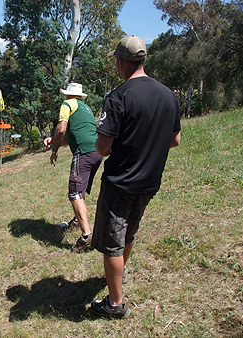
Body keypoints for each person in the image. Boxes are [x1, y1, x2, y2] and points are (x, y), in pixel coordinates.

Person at [90, 35, 181, 318]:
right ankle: (122, 273)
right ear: (143, 60)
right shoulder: (168, 95)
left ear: (120, 61)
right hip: (149, 181)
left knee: (111, 242)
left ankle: (115, 305)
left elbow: (103, 148)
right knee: (129, 232)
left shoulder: (118, 97)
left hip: (120, 182)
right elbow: (175, 139)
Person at [44, 83, 103, 253]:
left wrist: (54, 150)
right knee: (80, 189)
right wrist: (53, 139)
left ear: (68, 95)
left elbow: (61, 130)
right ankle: (78, 221)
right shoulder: (86, 108)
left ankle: (87, 237)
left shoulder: (67, 104)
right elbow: (72, 136)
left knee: (75, 192)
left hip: (83, 152)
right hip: (97, 151)